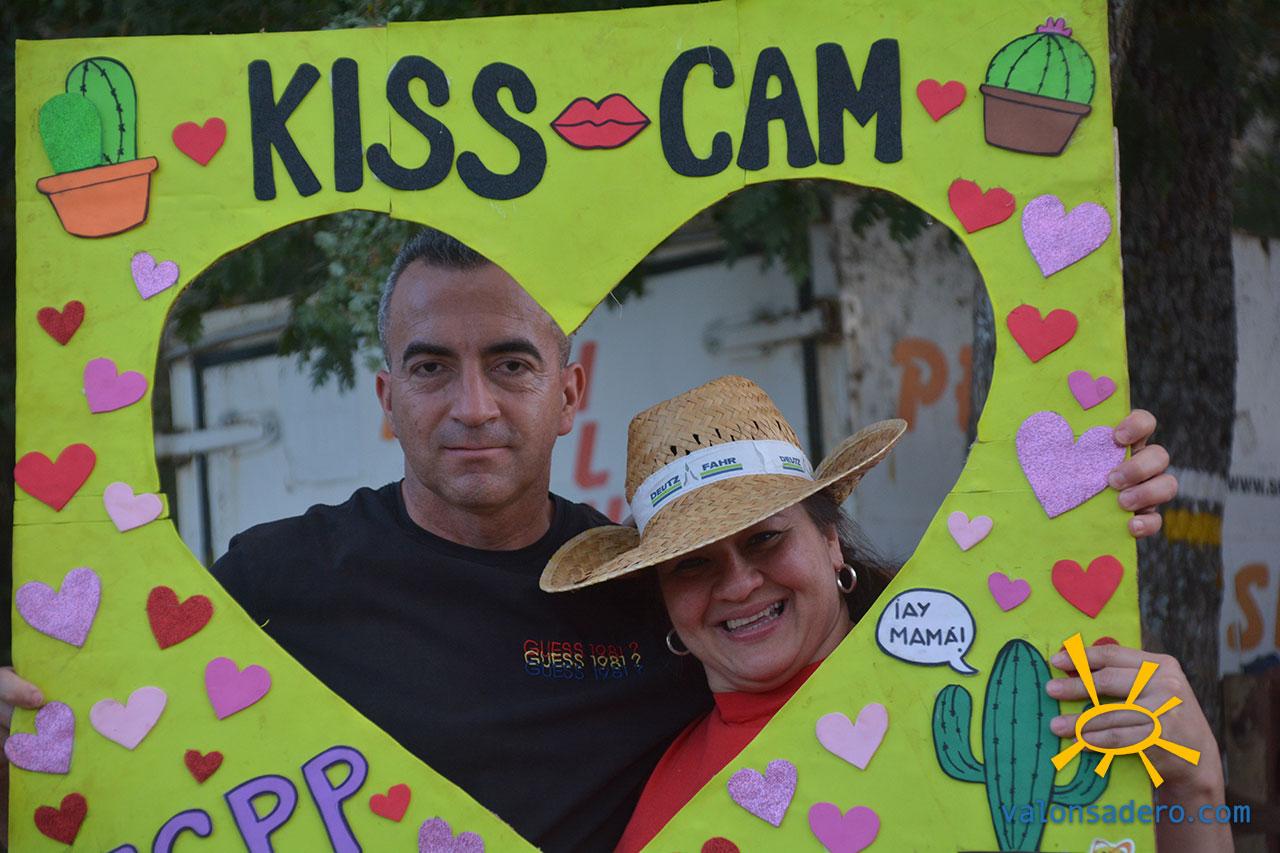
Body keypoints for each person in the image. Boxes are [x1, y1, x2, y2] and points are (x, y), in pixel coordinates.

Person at [0, 229, 1182, 851]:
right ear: (384, 399)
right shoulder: (271, 578)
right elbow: (114, 734)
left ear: (568, 390)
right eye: (431, 368)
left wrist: (1080, 512)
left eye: (510, 363)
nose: (472, 405)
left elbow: (918, 642)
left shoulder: (656, 592)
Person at [540, 376, 1228, 853]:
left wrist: (1193, 782)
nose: (739, 583)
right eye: (692, 564)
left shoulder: (995, 696)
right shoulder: (664, 804)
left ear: (830, 541)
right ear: (666, 599)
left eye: (765, 538)